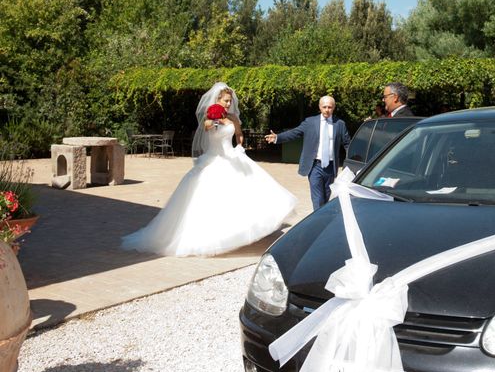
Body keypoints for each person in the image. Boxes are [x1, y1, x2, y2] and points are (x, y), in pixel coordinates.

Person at [122, 82, 296, 257]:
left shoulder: (233, 118)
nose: (228, 104)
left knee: (247, 194)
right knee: (209, 199)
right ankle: (212, 239)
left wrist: (240, 146)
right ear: (217, 99)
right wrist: (213, 121)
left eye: (230, 101)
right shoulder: (210, 118)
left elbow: (238, 134)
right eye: (226, 101)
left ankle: (239, 232)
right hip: (215, 159)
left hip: (233, 157)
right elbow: (206, 128)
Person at [265, 95, 351, 211]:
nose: (327, 110)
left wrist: (353, 158)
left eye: (330, 107)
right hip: (315, 166)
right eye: (324, 107)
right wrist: (277, 138)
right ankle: (317, 223)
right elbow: (295, 133)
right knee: (318, 199)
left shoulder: (339, 124)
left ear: (334, 107)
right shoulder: (310, 122)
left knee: (326, 197)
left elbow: (347, 143)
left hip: (331, 167)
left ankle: (321, 218)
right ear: (320, 107)